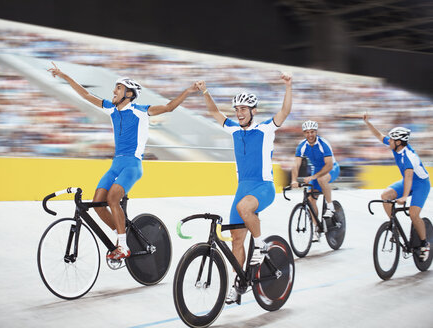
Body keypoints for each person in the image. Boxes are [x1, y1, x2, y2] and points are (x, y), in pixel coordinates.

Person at [48, 62, 198, 260]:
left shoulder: (140, 110)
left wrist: (188, 91)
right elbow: (85, 95)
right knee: (97, 203)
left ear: (129, 93)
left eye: (118, 88)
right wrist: (63, 75)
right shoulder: (111, 108)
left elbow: (169, 107)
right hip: (115, 164)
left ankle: (123, 246)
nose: (114, 91)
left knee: (112, 198)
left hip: (132, 165)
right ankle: (121, 236)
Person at [196, 73, 292, 305]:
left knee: (243, 207)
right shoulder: (233, 129)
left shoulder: (266, 128)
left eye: (244, 108)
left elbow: (285, 112)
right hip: (243, 188)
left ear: (253, 111)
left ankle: (260, 245)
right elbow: (215, 113)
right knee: (236, 240)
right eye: (237, 108)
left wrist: (288, 86)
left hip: (264, 187)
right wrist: (205, 92)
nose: (239, 112)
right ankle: (237, 284)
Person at [363, 114, 430, 261]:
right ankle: (394, 228)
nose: (389, 141)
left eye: (392, 139)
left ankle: (425, 244)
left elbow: (409, 177)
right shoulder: (396, 146)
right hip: (408, 180)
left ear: (399, 142)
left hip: (421, 184)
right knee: (385, 196)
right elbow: (379, 136)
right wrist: (368, 123)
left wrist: (405, 196)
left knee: (413, 214)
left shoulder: (408, 156)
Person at [290, 120, 340, 241]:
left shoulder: (323, 144)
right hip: (316, 170)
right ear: (304, 133)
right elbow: (296, 165)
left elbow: (328, 166)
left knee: (322, 179)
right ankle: (316, 228)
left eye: (312, 132)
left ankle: (330, 206)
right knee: (311, 199)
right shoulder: (302, 145)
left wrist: (313, 177)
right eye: (307, 132)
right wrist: (293, 180)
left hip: (331, 168)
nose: (310, 135)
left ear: (316, 132)